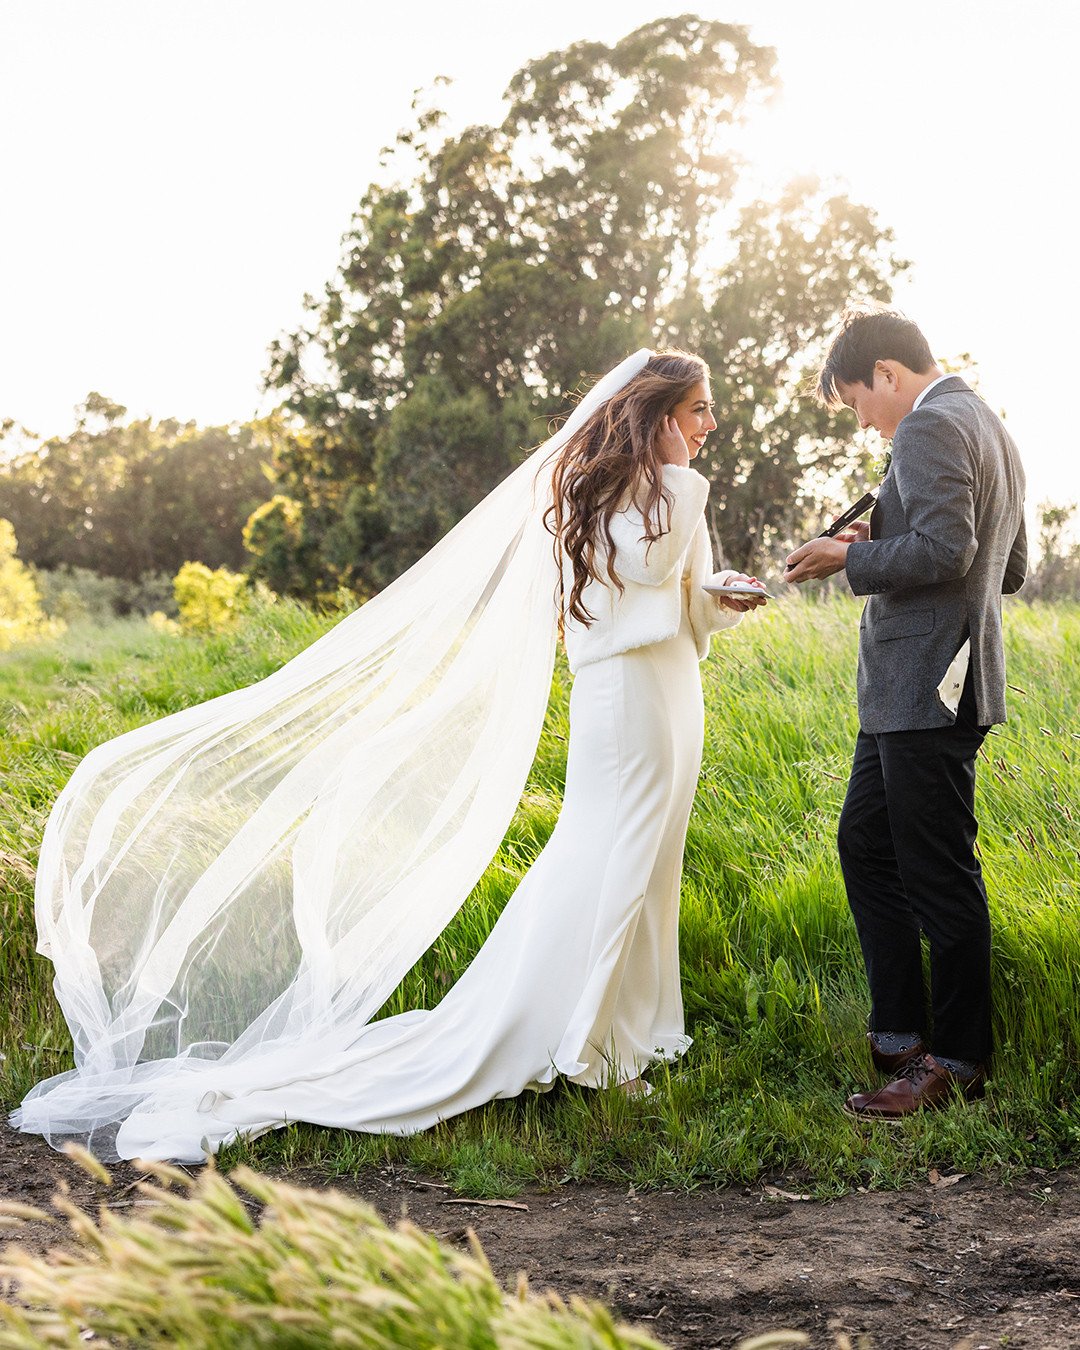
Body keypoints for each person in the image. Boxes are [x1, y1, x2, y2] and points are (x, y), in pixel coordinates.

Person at [14, 348, 765, 1161]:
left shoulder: (670, 493)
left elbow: (674, 592)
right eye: (698, 411)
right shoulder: (628, 493)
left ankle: (625, 1032)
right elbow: (645, 568)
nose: (710, 425)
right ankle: (578, 1040)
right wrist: (689, 494)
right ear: (656, 418)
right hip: (624, 702)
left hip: (672, 689)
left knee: (652, 859)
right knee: (607, 856)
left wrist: (720, 597)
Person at [784, 307, 1026, 1119]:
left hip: (924, 687)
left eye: (857, 400)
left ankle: (954, 1060)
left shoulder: (925, 430)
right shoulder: (989, 424)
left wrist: (849, 555)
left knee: (939, 876)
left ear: (888, 374)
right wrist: (885, 530)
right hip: (935, 685)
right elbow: (1009, 566)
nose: (862, 420)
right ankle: (899, 1039)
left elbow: (947, 551)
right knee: (866, 842)